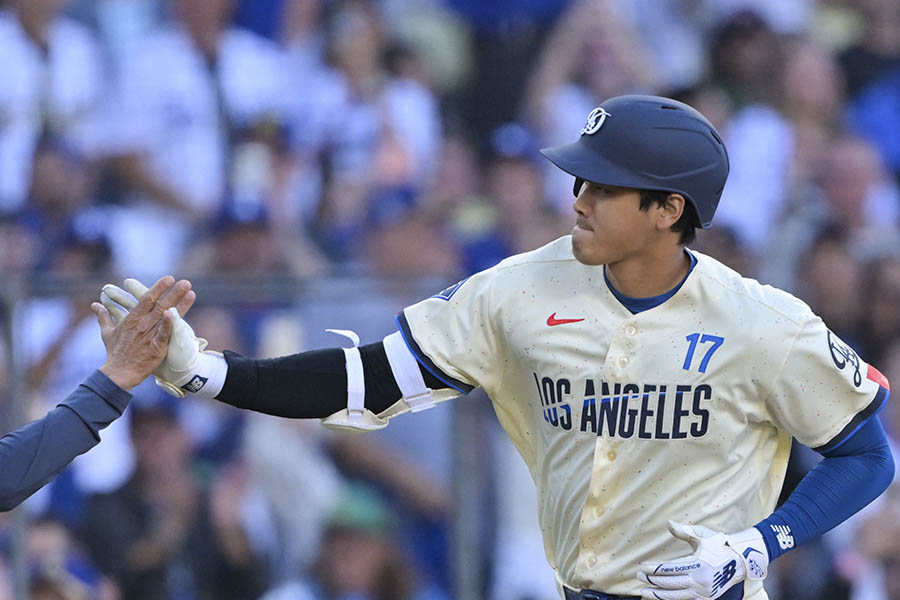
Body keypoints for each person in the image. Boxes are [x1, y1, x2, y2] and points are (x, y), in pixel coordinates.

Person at [102, 95, 895, 600]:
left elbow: (868, 456)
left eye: (604, 187)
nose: (577, 199)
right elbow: (367, 378)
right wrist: (210, 373)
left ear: (668, 210)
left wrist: (759, 544)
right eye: (579, 180)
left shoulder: (763, 322)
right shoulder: (516, 289)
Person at [0, 276, 193, 512]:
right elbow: (6, 475)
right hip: (49, 471)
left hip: (108, 468)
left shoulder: (114, 317)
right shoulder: (39, 316)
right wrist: (113, 378)